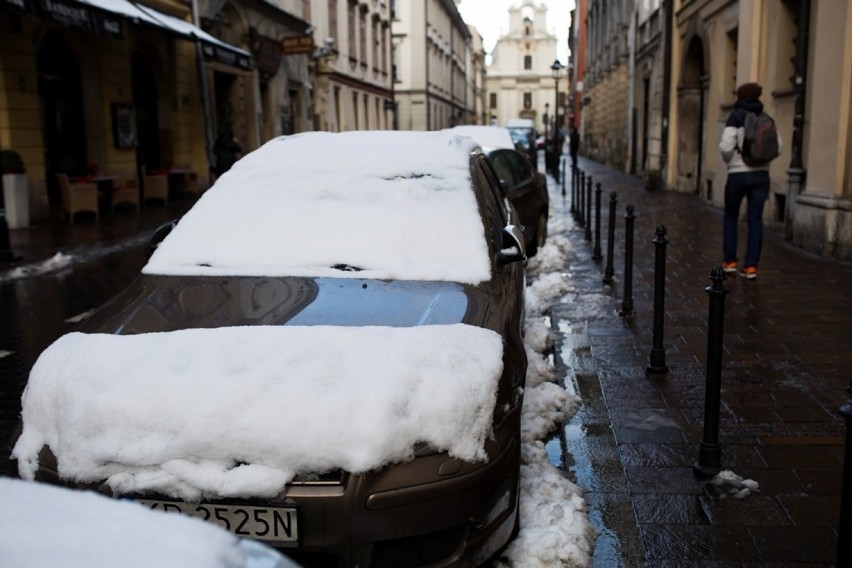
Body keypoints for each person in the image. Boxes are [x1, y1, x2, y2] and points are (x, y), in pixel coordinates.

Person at [718, 82, 781, 280]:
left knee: (730, 216)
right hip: (761, 175)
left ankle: (730, 262)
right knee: (755, 220)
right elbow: (778, 148)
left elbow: (726, 147)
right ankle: (751, 267)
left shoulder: (736, 116)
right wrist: (761, 161)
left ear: (740, 97)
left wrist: (733, 161)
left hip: (738, 174)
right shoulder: (766, 117)